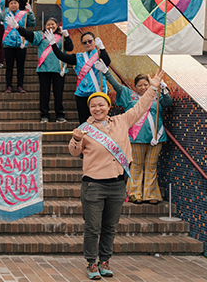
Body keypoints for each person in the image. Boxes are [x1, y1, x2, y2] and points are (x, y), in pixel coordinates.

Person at [69, 69, 165, 280]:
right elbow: (74, 151)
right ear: (90, 109)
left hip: (117, 184)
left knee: (110, 226)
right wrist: (76, 139)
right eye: (93, 105)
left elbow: (141, 107)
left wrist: (153, 87)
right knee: (93, 227)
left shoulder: (122, 121)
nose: (97, 108)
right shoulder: (84, 129)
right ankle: (91, 263)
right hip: (93, 186)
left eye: (101, 104)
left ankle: (105, 261)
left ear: (108, 106)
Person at [103, 69, 172, 204]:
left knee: (151, 166)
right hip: (136, 137)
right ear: (135, 87)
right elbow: (116, 86)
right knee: (136, 165)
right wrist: (106, 72)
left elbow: (168, 103)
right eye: (139, 85)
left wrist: (163, 89)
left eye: (145, 84)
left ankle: (150, 194)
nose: (143, 87)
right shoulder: (129, 96)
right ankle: (134, 193)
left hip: (156, 137)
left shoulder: (156, 96)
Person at [16, 17, 72, 122]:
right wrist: (18, 27)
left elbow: (70, 48)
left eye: (53, 24)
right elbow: (28, 34)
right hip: (44, 69)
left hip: (59, 69)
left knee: (58, 93)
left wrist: (67, 36)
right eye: (48, 24)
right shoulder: (40, 36)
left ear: (57, 26)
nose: (51, 26)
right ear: (45, 26)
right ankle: (44, 115)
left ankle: (59, 115)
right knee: (44, 94)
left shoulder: (62, 36)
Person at [47, 31, 111, 122]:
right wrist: (53, 44)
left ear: (94, 41)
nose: (88, 44)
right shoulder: (78, 57)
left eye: (90, 41)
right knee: (84, 121)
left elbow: (107, 62)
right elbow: (62, 56)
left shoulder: (100, 55)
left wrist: (102, 48)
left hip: (98, 91)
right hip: (82, 93)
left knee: (100, 120)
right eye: (85, 42)